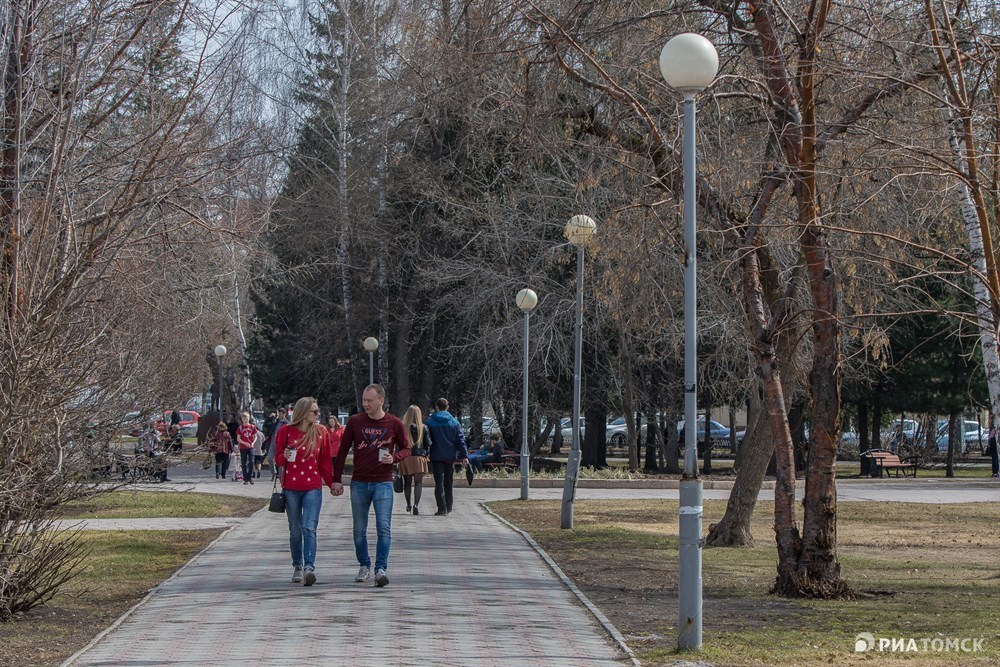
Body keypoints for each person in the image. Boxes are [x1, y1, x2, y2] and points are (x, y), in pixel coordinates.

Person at [332, 384, 409, 588]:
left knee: (383, 527)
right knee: (359, 529)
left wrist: (394, 458)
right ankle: (364, 564)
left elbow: (407, 448)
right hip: (359, 483)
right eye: (364, 400)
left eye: (370, 401)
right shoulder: (355, 422)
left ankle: (380, 569)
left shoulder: (394, 423)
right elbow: (342, 452)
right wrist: (336, 478)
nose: (366, 404)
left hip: (383, 482)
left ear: (381, 401)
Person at [274, 397, 336, 586]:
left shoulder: (320, 432)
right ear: (303, 413)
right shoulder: (286, 432)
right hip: (291, 487)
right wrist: (283, 456)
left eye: (318, 412)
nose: (318, 415)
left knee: (309, 526)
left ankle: (309, 567)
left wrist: (333, 482)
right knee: (295, 530)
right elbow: (277, 460)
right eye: (314, 412)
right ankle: (297, 565)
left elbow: (325, 461)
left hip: (313, 487)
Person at [425, 397, 469, 515]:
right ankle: (449, 506)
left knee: (439, 482)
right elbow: (460, 440)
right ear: (447, 407)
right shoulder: (454, 422)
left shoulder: (430, 422)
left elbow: (426, 439)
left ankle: (441, 508)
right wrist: (464, 456)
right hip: (450, 456)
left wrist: (426, 453)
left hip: (436, 456)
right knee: (448, 481)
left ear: (436, 407)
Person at [399, 405, 431, 515]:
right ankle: (416, 505)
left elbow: (399, 443)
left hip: (406, 458)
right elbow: (428, 443)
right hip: (419, 458)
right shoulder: (423, 427)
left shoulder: (403, 427)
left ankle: (408, 504)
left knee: (407, 483)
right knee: (418, 483)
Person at [236, 411, 259, 485]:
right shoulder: (240, 428)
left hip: (250, 447)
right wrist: (244, 443)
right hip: (243, 447)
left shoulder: (252, 427)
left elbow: (255, 436)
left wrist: (252, 443)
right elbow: (238, 439)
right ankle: (245, 478)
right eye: (244, 418)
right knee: (243, 463)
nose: (246, 419)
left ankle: (250, 476)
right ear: (242, 419)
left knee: (252, 461)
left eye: (247, 418)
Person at [268, 407, 289, 480]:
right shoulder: (275, 422)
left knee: (280, 460)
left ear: (284, 414)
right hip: (273, 442)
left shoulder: (287, 424)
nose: (279, 415)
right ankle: (274, 472)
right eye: (278, 414)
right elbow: (270, 430)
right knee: (270, 458)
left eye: (280, 414)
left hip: (281, 443)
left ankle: (281, 477)